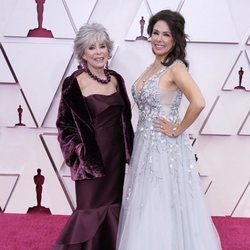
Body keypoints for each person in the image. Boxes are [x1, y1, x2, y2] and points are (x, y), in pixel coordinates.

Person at [117, 9, 222, 250]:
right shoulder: (152, 66)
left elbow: (199, 102)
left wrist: (177, 128)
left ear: (175, 39)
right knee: (145, 202)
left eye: (166, 34)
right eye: (155, 33)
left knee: (161, 200)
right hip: (144, 144)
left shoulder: (176, 68)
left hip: (165, 148)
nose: (159, 39)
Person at [53, 23, 134, 250]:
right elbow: (64, 125)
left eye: (102, 46)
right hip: (91, 162)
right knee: (89, 211)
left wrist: (131, 152)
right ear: (83, 53)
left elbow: (125, 121)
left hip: (115, 159)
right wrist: (80, 152)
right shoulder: (74, 83)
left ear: (108, 49)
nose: (98, 52)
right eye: (92, 48)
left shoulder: (117, 79)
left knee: (112, 207)